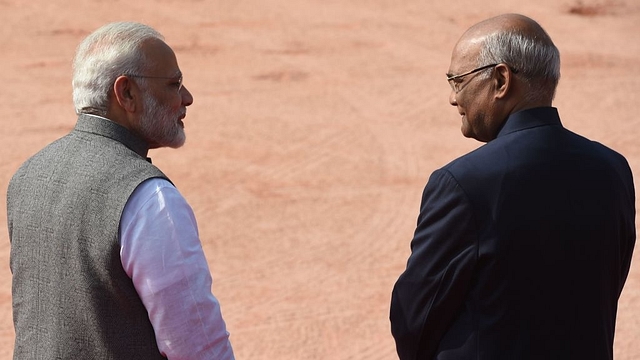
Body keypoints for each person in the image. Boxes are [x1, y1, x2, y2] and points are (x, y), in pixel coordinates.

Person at [390, 13, 635, 360]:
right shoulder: (613, 170)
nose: (452, 98)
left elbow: (414, 320)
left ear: (501, 80)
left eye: (457, 80)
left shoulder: (462, 183)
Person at [7, 22, 235, 359]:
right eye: (174, 85)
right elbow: (197, 345)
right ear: (126, 93)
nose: (187, 98)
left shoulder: (28, 175)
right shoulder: (150, 199)